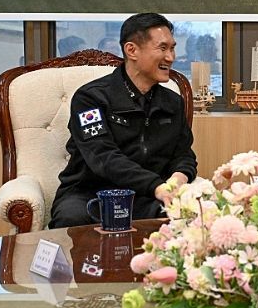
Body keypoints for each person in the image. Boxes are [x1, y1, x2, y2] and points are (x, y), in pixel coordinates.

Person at [49, 13, 198, 229]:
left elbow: (184, 154)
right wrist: (156, 185)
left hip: (146, 197)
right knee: (71, 219)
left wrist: (178, 179)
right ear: (131, 50)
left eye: (172, 48)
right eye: (162, 48)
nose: (170, 57)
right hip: (90, 194)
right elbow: (103, 157)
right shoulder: (90, 98)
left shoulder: (172, 102)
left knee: (189, 219)